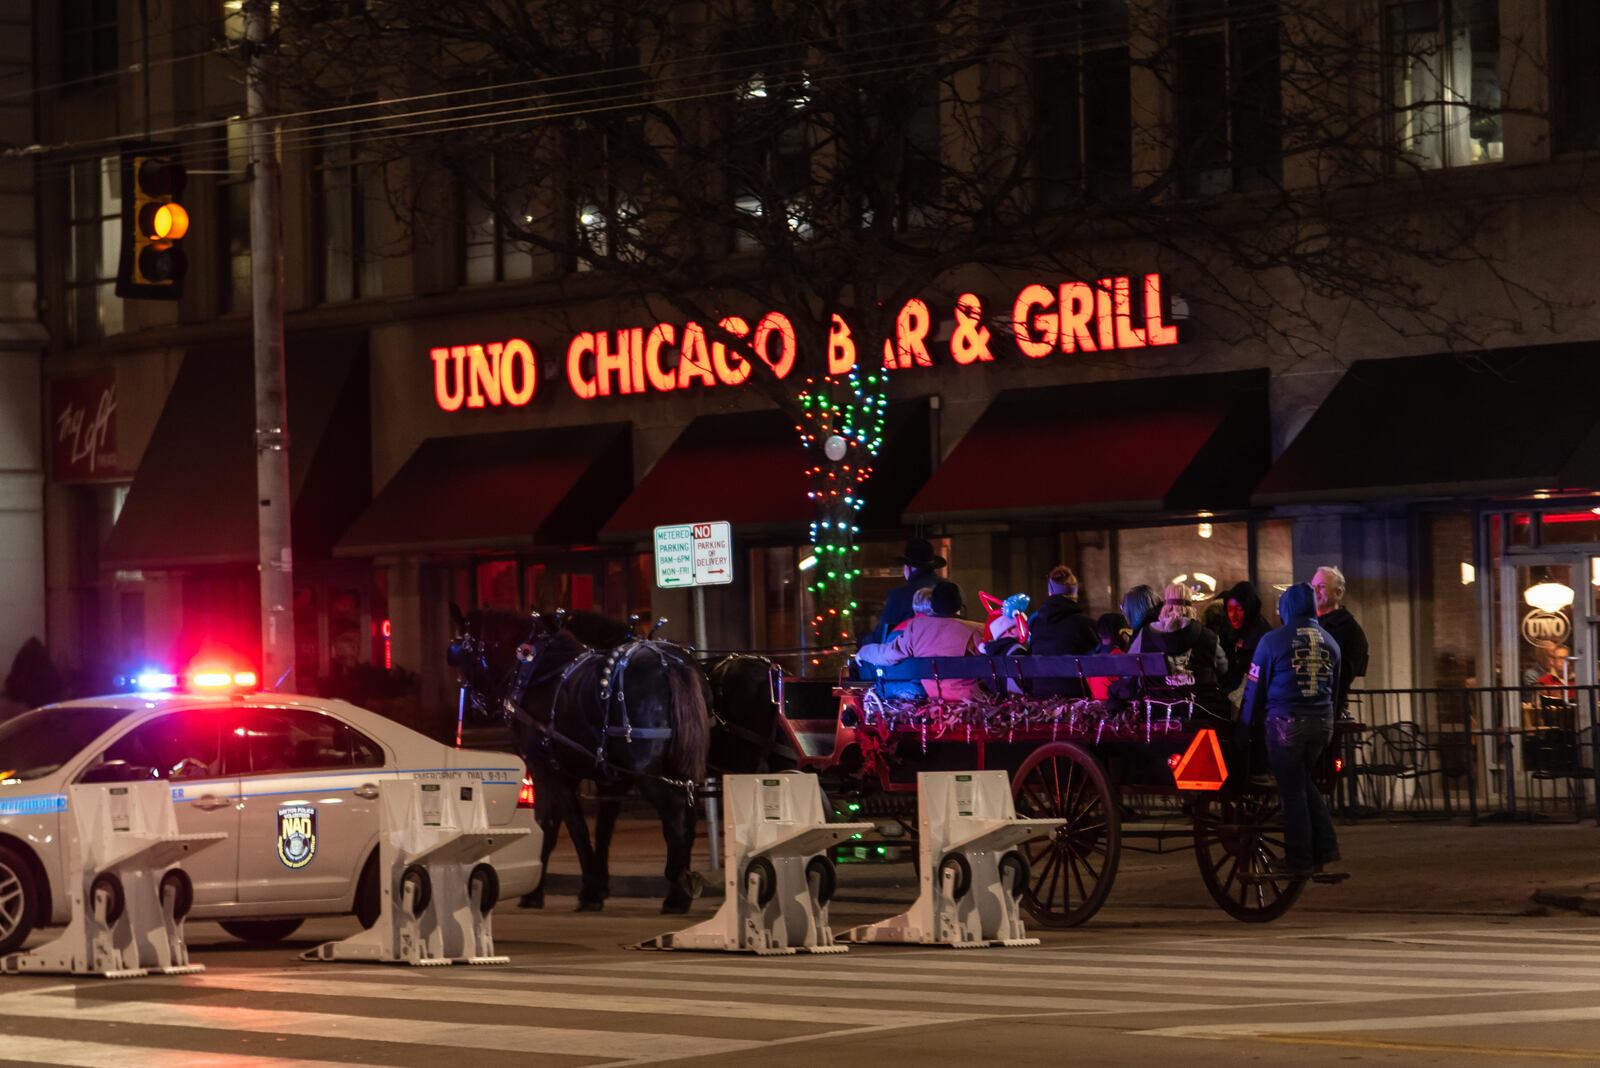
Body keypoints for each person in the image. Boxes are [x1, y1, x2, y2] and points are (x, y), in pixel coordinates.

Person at [1240, 582, 1342, 879]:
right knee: (1303, 782)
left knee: (1292, 790)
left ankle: (1299, 859)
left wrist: (1245, 725)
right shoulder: (1331, 642)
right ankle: (1325, 847)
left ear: (1286, 608)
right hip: (1322, 723)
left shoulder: (1272, 641)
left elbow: (1255, 688)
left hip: (1286, 723)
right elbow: (1334, 692)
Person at [857, 580, 985, 701]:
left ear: (933, 604)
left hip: (935, 707)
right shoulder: (977, 630)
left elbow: (888, 654)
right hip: (972, 706)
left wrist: (863, 652)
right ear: (959, 606)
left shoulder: (916, 628)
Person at [1128, 585, 1231, 717]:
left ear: (1165, 604)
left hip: (1156, 711)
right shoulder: (1208, 636)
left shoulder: (1144, 635)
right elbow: (1223, 668)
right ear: (1190, 605)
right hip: (1201, 710)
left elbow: (1130, 668)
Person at [1028, 565, 1098, 696]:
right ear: (1075, 594)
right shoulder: (1086, 624)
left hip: (1040, 695)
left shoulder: (1036, 624)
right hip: (1076, 697)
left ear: (1050, 592)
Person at [1311, 565, 1369, 716]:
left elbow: (1341, 678)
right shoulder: (1309, 623)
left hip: (1326, 710)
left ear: (1338, 592)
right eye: (1314, 587)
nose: (1316, 591)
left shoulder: (1350, 630)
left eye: (1322, 587)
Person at [865, 538, 946, 646]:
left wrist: (863, 641)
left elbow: (881, 637)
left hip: (911, 658)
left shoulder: (899, 595)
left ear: (910, 568)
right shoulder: (950, 589)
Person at [1219, 581, 1272, 698]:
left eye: (1239, 609)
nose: (1233, 615)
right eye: (1230, 609)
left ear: (1250, 609)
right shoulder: (1229, 632)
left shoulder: (1263, 636)